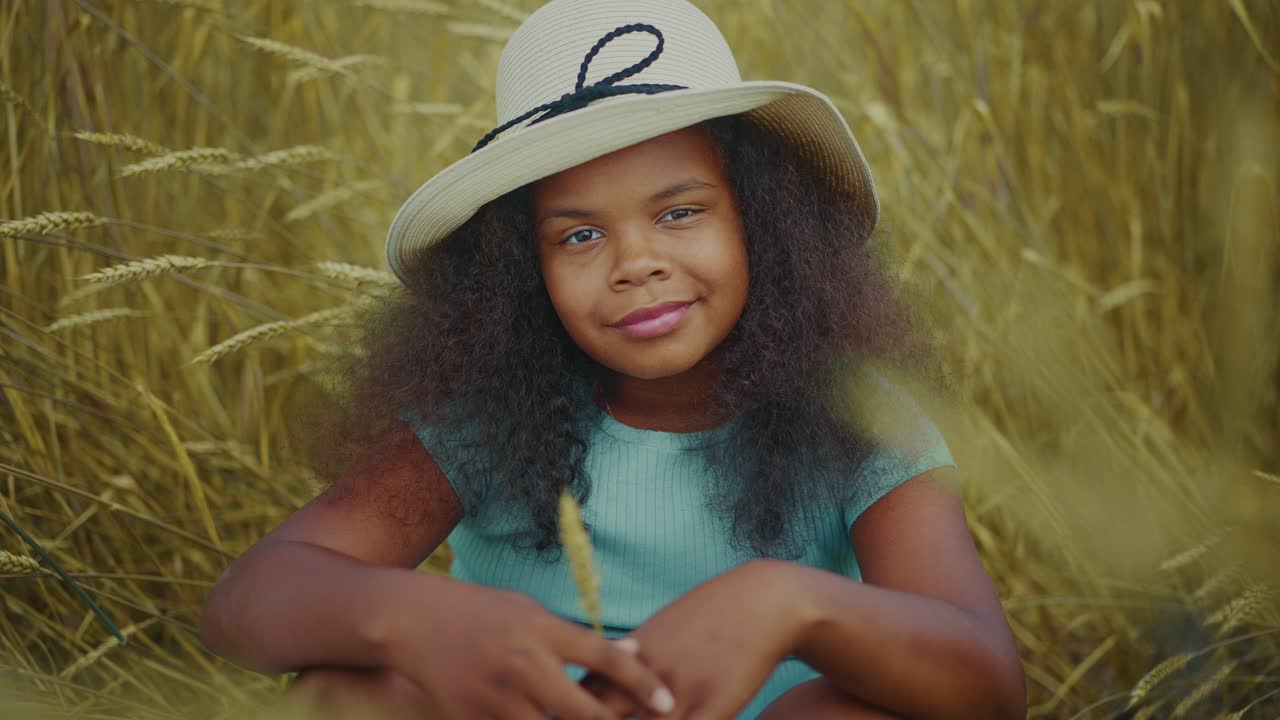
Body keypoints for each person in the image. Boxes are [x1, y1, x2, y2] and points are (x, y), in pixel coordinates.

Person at [199, 1, 1026, 718]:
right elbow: (246, 603)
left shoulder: (858, 415)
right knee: (339, 694)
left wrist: (792, 604)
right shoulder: (485, 415)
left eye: (679, 212)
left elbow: (989, 687)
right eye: (581, 235)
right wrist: (412, 619)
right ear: (524, 270)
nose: (636, 263)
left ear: (762, 223)